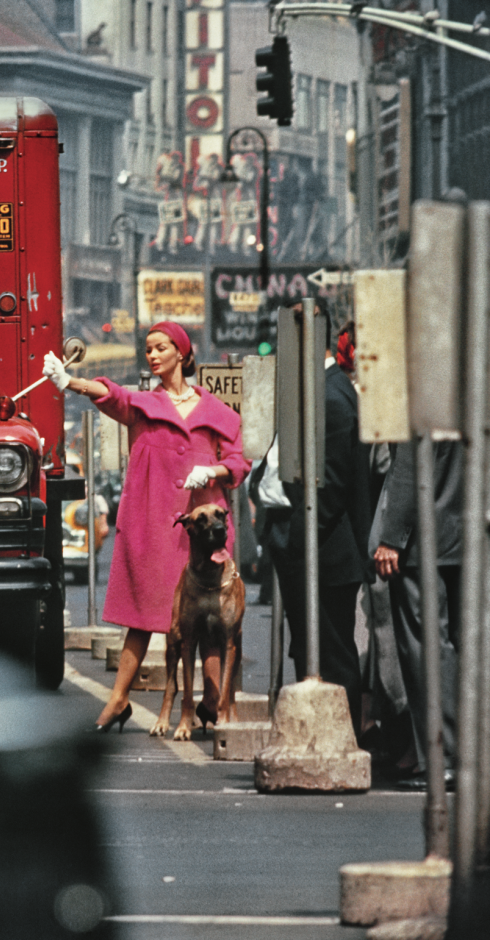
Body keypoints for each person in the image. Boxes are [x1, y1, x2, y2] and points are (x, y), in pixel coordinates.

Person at [43, 322, 250, 732]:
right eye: (148, 349)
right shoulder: (142, 404)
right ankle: (119, 698)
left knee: (210, 619)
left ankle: (211, 700)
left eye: (160, 348)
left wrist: (213, 469)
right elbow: (112, 394)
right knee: (142, 618)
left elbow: (238, 463)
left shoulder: (218, 413)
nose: (152, 356)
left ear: (181, 353)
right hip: (154, 524)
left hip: (201, 530)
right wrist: (70, 382)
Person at [268, 304, 372, 737]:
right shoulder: (319, 389)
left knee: (329, 654)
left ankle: (339, 741)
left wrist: (293, 544)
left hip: (323, 553)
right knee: (313, 650)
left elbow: (326, 490)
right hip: (317, 550)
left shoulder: (329, 397)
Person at [371, 440, 462, 791]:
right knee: (461, 646)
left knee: (424, 648)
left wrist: (392, 536)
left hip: (425, 539)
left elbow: (408, 467)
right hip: (465, 532)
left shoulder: (422, 392)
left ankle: (444, 758)